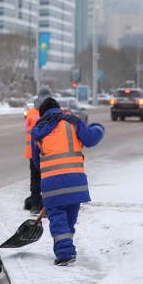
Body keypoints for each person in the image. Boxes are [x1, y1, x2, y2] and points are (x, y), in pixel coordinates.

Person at [31, 97, 105, 266]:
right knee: (69, 218)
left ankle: (65, 251)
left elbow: (37, 162)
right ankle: (64, 248)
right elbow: (91, 139)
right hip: (75, 181)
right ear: (60, 109)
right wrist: (98, 127)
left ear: (42, 114)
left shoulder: (38, 131)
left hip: (52, 183)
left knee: (57, 218)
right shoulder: (73, 122)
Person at [24, 85, 53, 214]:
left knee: (35, 178)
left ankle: (35, 206)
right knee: (49, 178)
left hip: (32, 151)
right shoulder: (57, 110)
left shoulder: (30, 112)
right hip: (50, 151)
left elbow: (27, 129)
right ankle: (47, 206)